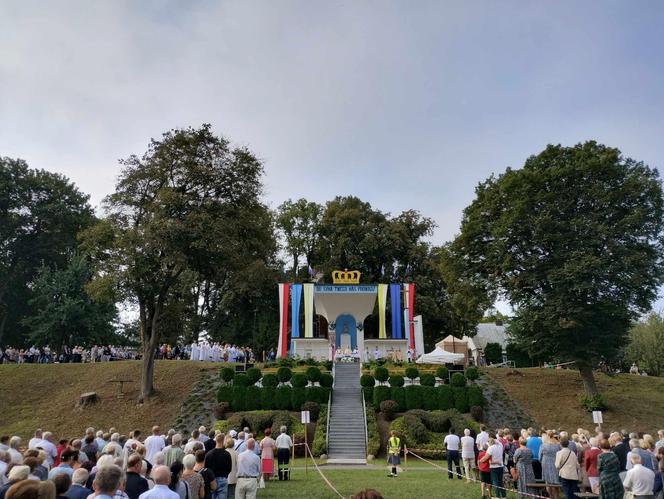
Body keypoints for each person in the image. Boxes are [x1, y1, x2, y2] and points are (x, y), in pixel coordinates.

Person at [204, 434, 231, 499]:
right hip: (222, 478)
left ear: (215, 440)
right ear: (223, 441)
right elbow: (229, 468)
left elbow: (206, 468)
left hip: (212, 479)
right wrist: (225, 475)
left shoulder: (208, 454)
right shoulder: (227, 454)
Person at [539, 431, 561, 499]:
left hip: (545, 463)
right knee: (555, 481)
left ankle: (550, 497)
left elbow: (539, 457)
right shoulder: (558, 445)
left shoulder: (543, 445)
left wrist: (541, 461)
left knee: (548, 482)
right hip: (555, 463)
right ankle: (556, 497)